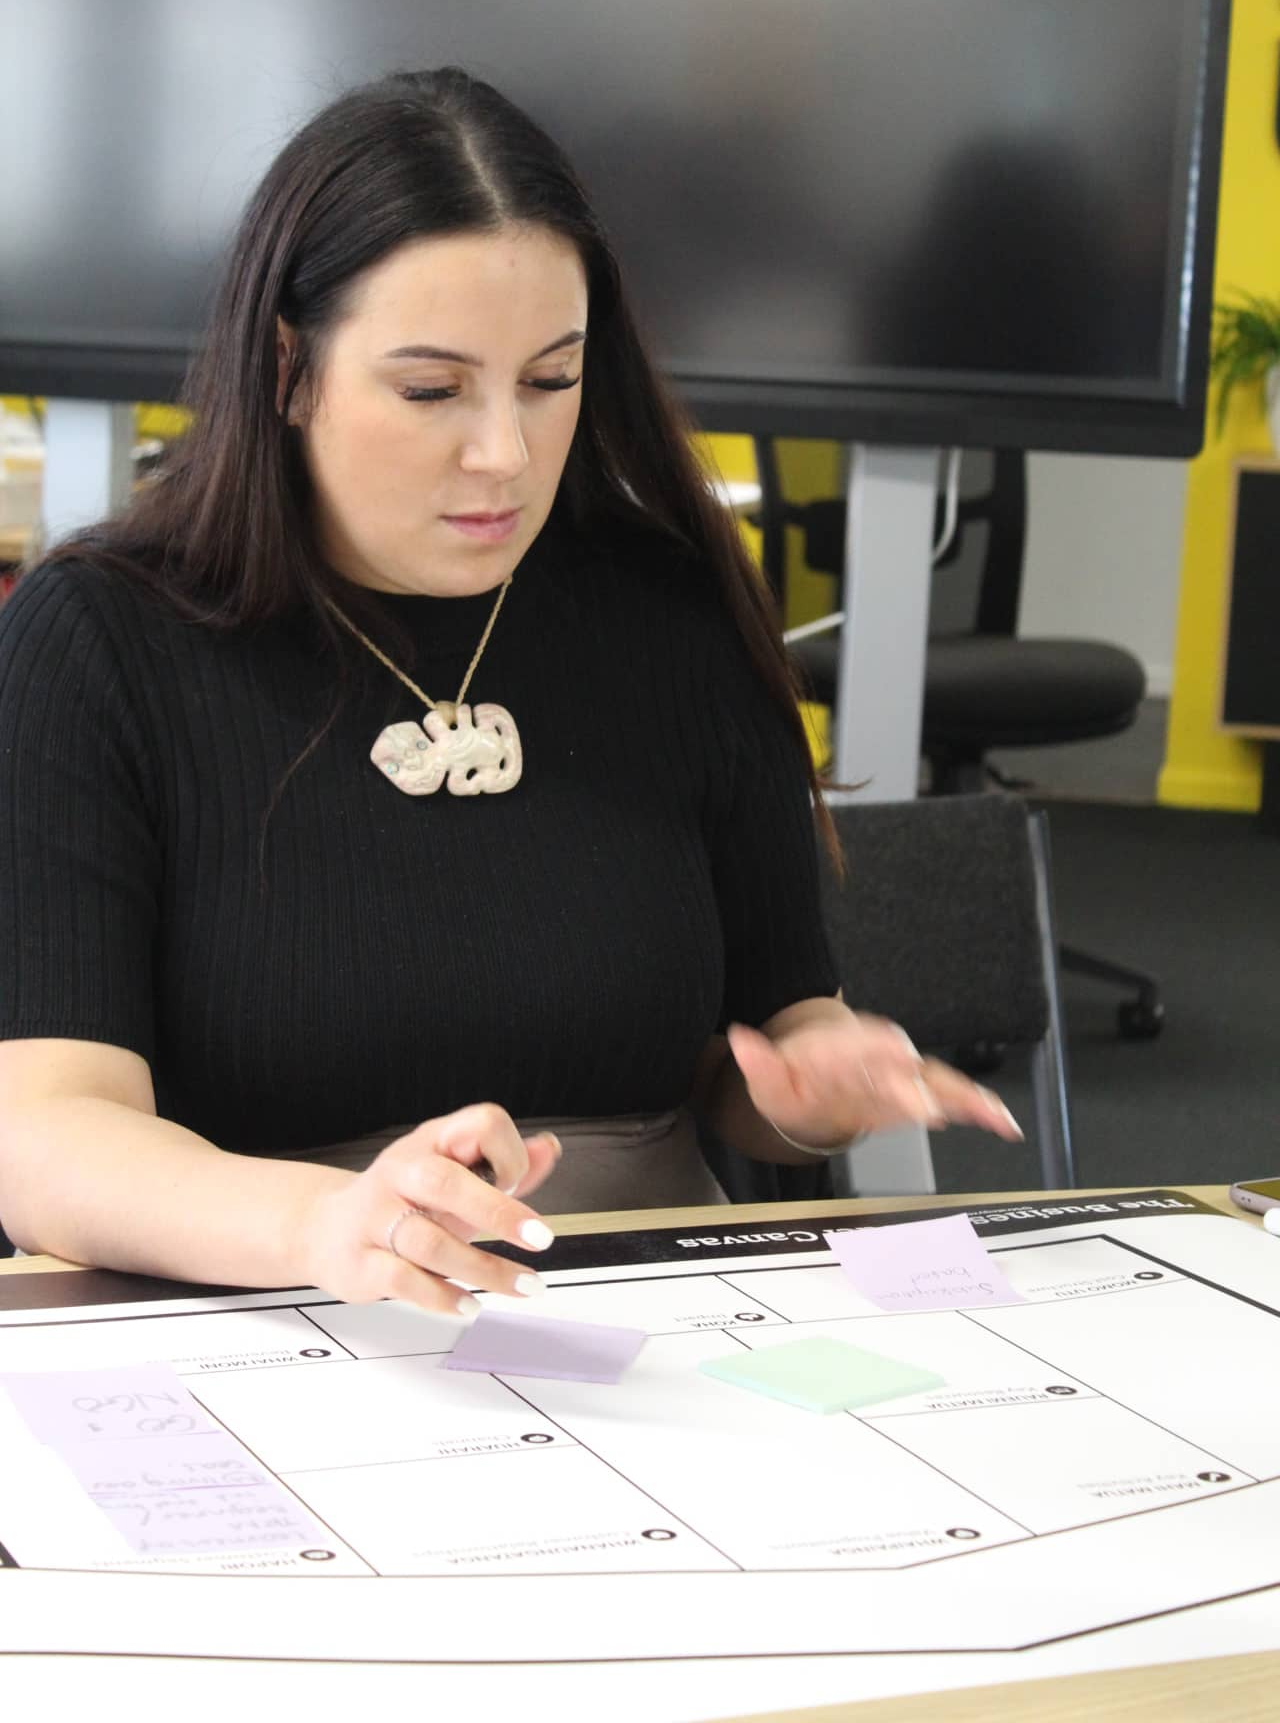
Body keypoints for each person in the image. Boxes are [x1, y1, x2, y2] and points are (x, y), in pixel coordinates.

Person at [0, 68, 1020, 1313]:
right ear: (285, 369)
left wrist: (805, 1086)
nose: (506, 454)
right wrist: (333, 1227)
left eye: (550, 380)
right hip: (264, 1305)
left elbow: (768, 1034)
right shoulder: (101, 641)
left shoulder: (673, 613)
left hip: (648, 1322)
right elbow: (47, 1135)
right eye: (431, 391)